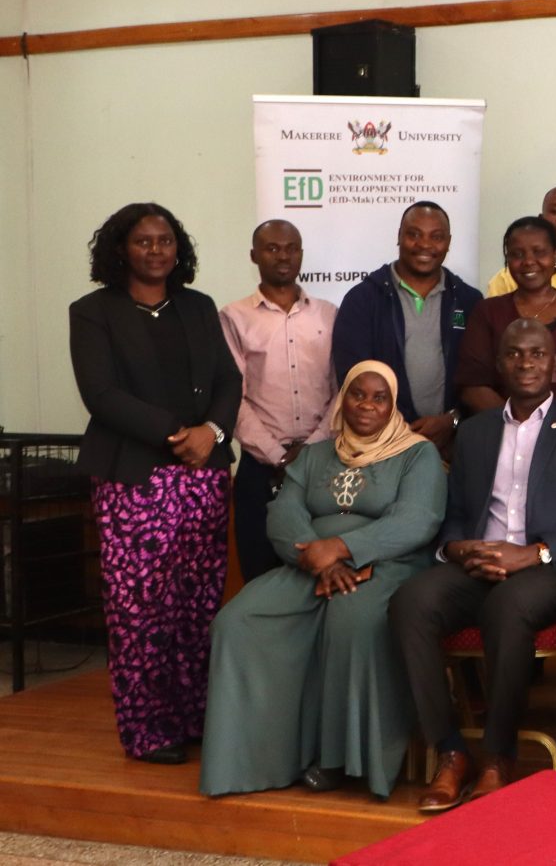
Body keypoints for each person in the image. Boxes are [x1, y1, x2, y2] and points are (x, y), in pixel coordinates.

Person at [391, 320, 556, 813]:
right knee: (411, 601)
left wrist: (536, 553)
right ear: (499, 365)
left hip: (553, 571)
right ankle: (451, 752)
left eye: (537, 353)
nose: (526, 363)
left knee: (509, 604)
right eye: (515, 354)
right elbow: (456, 514)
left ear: (554, 363)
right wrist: (458, 549)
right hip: (479, 565)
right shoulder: (475, 431)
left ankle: (498, 756)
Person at [200, 362, 445, 800]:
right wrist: (320, 558)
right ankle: (255, 758)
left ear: (393, 406)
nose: (366, 405)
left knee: (353, 618)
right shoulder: (314, 455)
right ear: (342, 400)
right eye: (357, 394)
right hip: (311, 564)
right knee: (237, 621)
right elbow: (284, 514)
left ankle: (341, 761)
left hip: (387, 565)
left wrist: (344, 548)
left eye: (379, 398)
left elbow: (417, 520)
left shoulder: (417, 454)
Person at [69, 202, 242, 764]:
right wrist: (178, 433)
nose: (155, 250)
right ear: (120, 249)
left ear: (178, 247)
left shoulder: (198, 306)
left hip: (202, 475)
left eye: (165, 240)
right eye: (143, 241)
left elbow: (228, 380)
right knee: (140, 608)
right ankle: (148, 730)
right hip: (134, 477)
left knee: (197, 603)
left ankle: (193, 717)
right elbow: (101, 395)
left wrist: (212, 432)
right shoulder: (94, 312)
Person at [220, 219, 338, 581]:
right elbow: (231, 396)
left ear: (301, 254)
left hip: (325, 463)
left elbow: (342, 390)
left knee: (323, 571)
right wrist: (278, 456)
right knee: (260, 573)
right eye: (272, 248)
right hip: (260, 468)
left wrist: (312, 449)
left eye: (291, 248)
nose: (283, 256)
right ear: (254, 255)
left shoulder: (329, 313)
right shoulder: (233, 317)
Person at [331, 200, 481, 455]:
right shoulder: (363, 299)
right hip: (381, 447)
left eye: (436, 237)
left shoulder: (469, 301)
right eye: (414, 235)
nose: (425, 245)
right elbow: (352, 377)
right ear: (399, 236)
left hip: (452, 446)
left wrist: (452, 420)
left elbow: (478, 377)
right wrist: (401, 429)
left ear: (448, 242)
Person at [455, 217, 556, 411]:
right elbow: (472, 385)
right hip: (501, 423)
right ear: (507, 260)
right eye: (517, 254)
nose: (529, 261)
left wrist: (549, 422)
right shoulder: (487, 312)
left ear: (555, 255)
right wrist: (513, 422)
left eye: (539, 252)